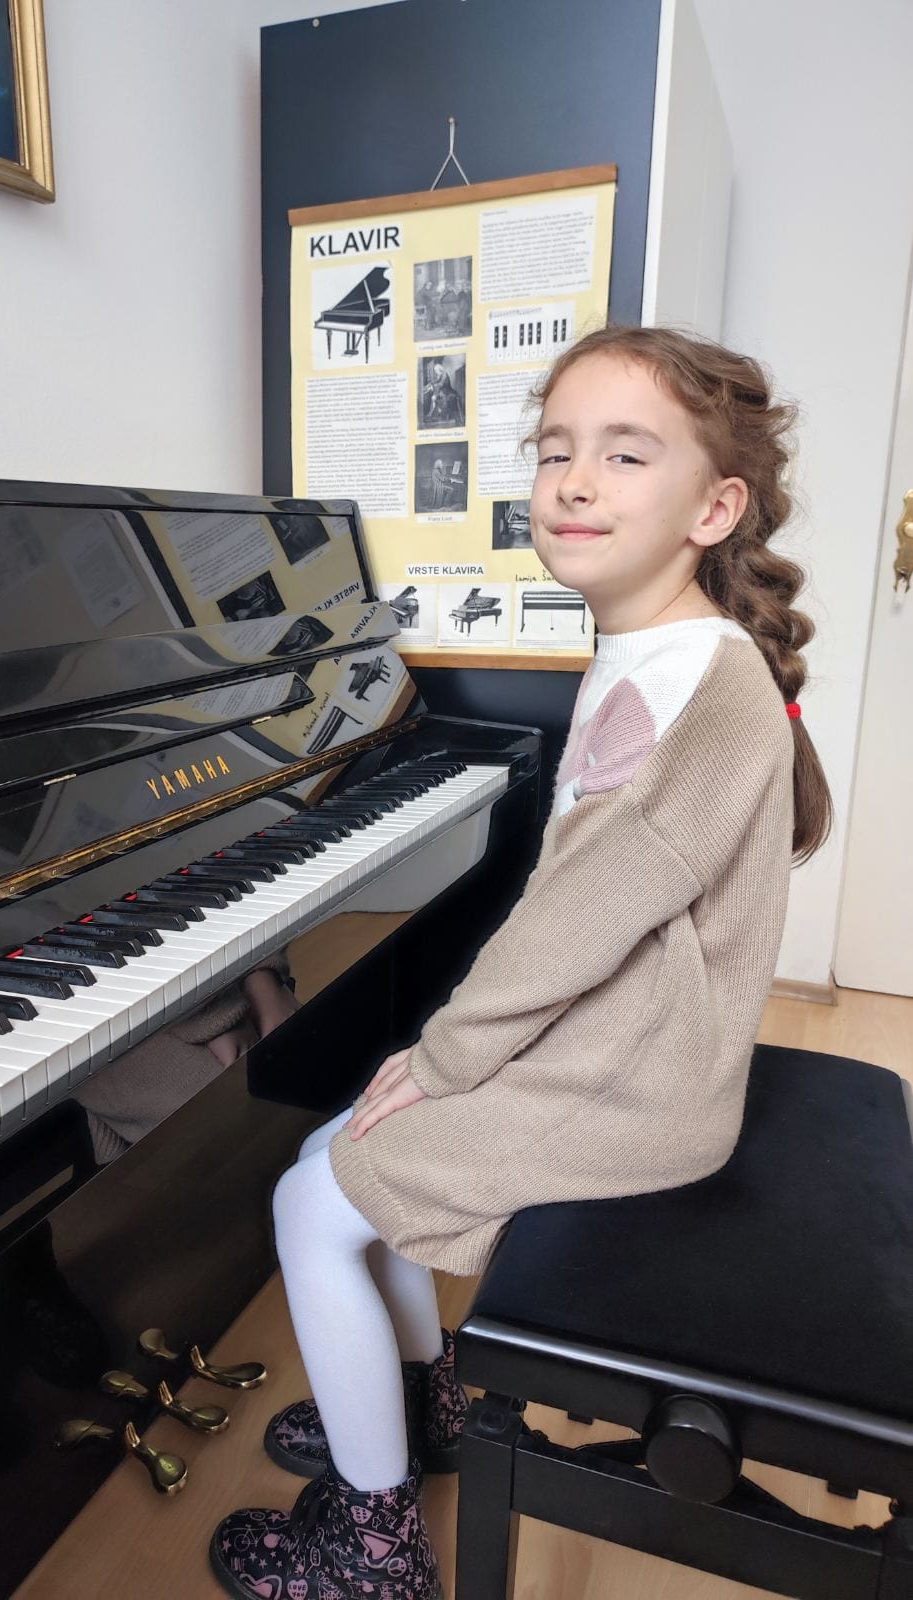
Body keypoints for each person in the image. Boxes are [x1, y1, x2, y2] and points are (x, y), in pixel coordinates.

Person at [208, 324, 833, 1599]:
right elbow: (583, 910)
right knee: (343, 1146)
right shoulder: (674, 651)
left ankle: (373, 1545)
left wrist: (444, 1056)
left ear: (714, 509)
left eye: (625, 455)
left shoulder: (694, 685)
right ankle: (421, 1404)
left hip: (634, 1083)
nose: (576, 482)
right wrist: (439, 1062)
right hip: (616, 1046)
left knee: (310, 1203)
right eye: (556, 451)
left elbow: (576, 923)